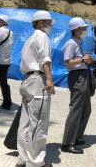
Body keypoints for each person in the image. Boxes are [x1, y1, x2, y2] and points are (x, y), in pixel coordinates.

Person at [17, 10, 55, 167]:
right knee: (39, 122)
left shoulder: (30, 39)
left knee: (24, 123)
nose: (51, 24)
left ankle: (23, 159)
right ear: (40, 23)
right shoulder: (42, 36)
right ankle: (36, 162)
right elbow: (45, 60)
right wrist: (49, 79)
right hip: (38, 80)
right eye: (48, 21)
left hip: (27, 80)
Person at [61, 17, 93, 154]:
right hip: (77, 77)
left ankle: (77, 137)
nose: (85, 30)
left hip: (83, 74)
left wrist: (86, 61)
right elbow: (67, 63)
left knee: (86, 109)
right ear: (76, 29)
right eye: (83, 28)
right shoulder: (70, 43)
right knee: (76, 110)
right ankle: (67, 143)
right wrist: (82, 59)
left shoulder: (78, 42)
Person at [0, 14, 13, 110]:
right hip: (6, 62)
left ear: (1, 22)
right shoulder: (10, 33)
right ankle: (7, 103)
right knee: (3, 82)